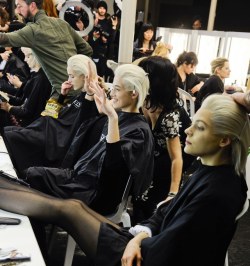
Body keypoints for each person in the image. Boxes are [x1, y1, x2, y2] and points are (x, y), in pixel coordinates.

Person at [0, 93, 249, 266]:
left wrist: (139, 243)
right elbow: (166, 214)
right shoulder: (210, 171)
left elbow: (177, 254)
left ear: (225, 140)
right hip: (150, 248)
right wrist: (140, 235)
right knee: (74, 206)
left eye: (200, 127)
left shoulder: (220, 192)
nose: (187, 130)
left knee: (68, 211)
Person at [11, 64, 154, 215]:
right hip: (54, 141)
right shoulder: (85, 102)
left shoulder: (136, 129)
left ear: (134, 94)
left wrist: (109, 116)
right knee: (19, 163)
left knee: (25, 171)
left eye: (117, 89)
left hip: (88, 185)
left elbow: (112, 167)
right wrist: (62, 96)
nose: (69, 80)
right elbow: (58, 119)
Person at [3, 54, 99, 172]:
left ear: (85, 77)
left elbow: (80, 126)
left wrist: (9, 108)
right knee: (7, 131)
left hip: (56, 141)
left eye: (72, 76)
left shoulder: (91, 100)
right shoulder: (81, 94)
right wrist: (62, 96)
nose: (69, 80)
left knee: (9, 135)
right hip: (48, 129)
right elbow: (55, 113)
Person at [132, 56, 188, 222]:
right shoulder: (146, 99)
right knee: (139, 196)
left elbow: (177, 158)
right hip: (157, 150)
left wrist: (173, 193)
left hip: (178, 155)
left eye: (144, 75)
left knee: (154, 204)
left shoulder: (169, 116)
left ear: (155, 82)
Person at [0, 0, 93, 96]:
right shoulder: (61, 23)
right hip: (83, 89)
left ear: (32, 5)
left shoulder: (34, 30)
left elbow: (3, 39)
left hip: (66, 93)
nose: (17, 11)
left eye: (20, 6)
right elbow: (87, 49)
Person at [0, 47, 51, 128]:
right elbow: (22, 100)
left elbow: (27, 112)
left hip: (31, 124)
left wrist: (9, 108)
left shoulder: (40, 79)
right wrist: (7, 97)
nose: (25, 60)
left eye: (27, 56)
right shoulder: (36, 76)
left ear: (37, 56)